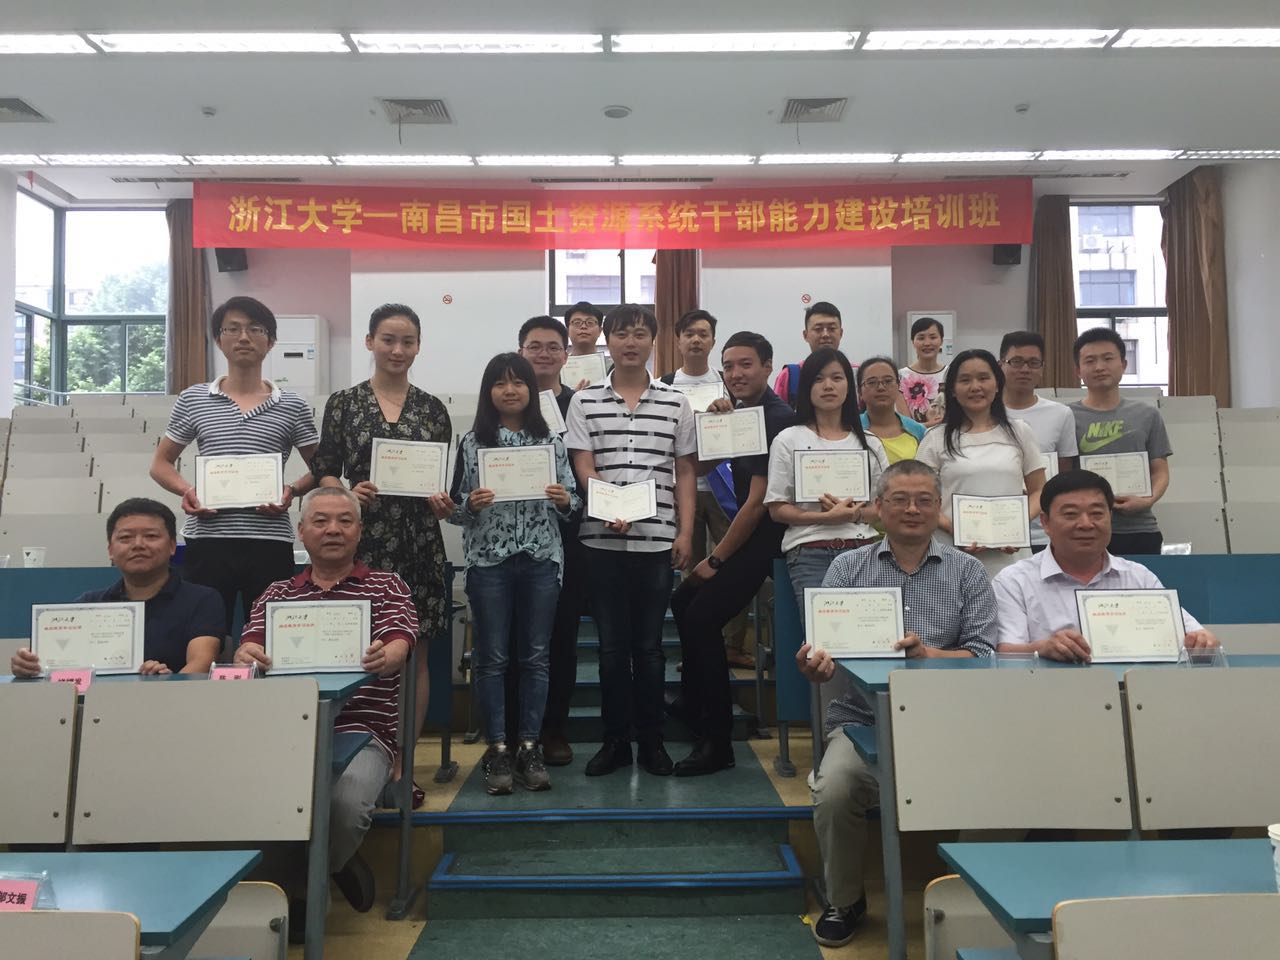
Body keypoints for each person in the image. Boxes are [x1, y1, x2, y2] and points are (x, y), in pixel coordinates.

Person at [795, 460, 997, 947]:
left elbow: (983, 654)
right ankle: (845, 900)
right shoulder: (848, 567)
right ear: (878, 508)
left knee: (1003, 784)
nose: (912, 509)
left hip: (949, 721)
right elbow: (827, 649)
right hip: (863, 721)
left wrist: (930, 656)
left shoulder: (969, 571)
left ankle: (969, 895)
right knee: (835, 787)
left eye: (924, 500)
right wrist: (815, 664)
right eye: (900, 500)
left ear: (939, 507)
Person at [235, 486, 417, 920]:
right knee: (252, 802)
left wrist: (389, 655)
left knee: (346, 808)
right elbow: (248, 646)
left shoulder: (386, 586)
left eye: (344, 521)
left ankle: (305, 887)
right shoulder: (277, 594)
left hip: (363, 732)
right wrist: (246, 655)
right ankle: (337, 867)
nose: (333, 529)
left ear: (360, 531)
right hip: (286, 733)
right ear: (301, 531)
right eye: (320, 521)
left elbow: (401, 641)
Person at [312, 303, 451, 805]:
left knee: (414, 655)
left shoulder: (432, 409)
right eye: (388, 339)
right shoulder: (344, 403)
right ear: (369, 342)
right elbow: (325, 468)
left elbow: (441, 478)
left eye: (407, 341)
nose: (397, 349)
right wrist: (346, 492)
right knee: (359, 650)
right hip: (363, 543)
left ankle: (401, 767)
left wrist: (442, 500)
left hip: (420, 543)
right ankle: (354, 761)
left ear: (418, 347)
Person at [564, 304, 696, 778]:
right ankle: (616, 741)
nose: (631, 342)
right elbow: (583, 464)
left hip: (657, 541)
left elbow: (684, 471)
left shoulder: (675, 401)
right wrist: (609, 506)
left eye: (640, 333)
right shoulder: (584, 401)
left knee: (651, 649)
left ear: (653, 341)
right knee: (611, 649)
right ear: (608, 340)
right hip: (600, 540)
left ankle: (652, 742)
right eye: (621, 334)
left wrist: (685, 531)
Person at [441, 353, 578, 795]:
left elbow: (574, 501)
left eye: (518, 382)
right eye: (500, 383)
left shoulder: (551, 441)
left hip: (541, 558)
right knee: (492, 658)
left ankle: (529, 746)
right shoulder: (472, 443)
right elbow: (456, 509)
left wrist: (563, 499)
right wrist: (469, 505)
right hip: (489, 562)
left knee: (536, 657)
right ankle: (498, 747)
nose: (510, 390)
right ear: (489, 392)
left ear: (530, 390)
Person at [150, 296, 318, 629]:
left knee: (269, 633)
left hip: (270, 540)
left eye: (255, 329)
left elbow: (322, 466)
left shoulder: (293, 405)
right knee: (205, 634)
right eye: (233, 329)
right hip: (208, 539)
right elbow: (160, 463)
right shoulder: (193, 398)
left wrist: (292, 490)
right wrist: (187, 491)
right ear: (218, 339)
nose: (243, 337)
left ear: (270, 341)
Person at [670, 332, 794, 775]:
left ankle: (717, 740)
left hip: (766, 541)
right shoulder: (743, 412)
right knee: (683, 601)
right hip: (751, 537)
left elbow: (757, 503)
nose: (736, 373)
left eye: (746, 364)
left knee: (703, 617)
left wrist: (716, 558)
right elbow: (701, 466)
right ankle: (693, 700)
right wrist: (712, 425)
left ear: (767, 367)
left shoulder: (777, 418)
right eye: (729, 366)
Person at [993, 470, 1219, 660]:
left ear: (1110, 517)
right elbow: (1005, 653)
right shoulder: (1014, 581)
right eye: (1071, 514)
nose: (1085, 524)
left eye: (1096, 513)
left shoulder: (1138, 577)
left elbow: (1196, 636)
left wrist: (1202, 642)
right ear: (1045, 523)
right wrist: (1042, 648)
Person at [9, 498, 225, 677]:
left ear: (171, 546)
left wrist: (165, 685)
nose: (138, 544)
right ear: (110, 550)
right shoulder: (88, 604)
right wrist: (28, 664)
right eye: (125, 538)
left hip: (173, 707)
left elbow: (201, 664)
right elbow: (56, 667)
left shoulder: (202, 600)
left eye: (151, 536)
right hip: (95, 707)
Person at [659, 309, 751, 668]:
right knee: (690, 572)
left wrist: (727, 416)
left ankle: (732, 644)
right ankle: (694, 649)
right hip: (681, 488)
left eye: (703, 334)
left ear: (713, 341)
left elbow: (748, 432)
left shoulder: (730, 384)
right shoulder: (664, 385)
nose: (696, 339)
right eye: (689, 334)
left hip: (726, 488)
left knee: (732, 566)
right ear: (678, 341)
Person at [516, 315, 584, 765]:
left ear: (566, 354)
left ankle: (553, 728)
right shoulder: (505, 403)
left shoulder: (581, 403)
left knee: (561, 636)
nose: (543, 354)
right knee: (512, 638)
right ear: (521, 351)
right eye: (534, 346)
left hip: (568, 537)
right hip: (512, 540)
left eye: (552, 347)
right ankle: (511, 732)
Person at [915, 348, 1045, 578]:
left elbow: (1039, 491)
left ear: (997, 384)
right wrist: (956, 529)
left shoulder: (1020, 432)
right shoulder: (935, 438)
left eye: (984, 378)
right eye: (965, 380)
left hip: (1010, 557)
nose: (975, 387)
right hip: (952, 552)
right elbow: (920, 499)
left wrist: (1016, 525)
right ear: (952, 390)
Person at [1069, 327, 1172, 555]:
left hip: (1139, 529)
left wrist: (1147, 500)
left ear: (1123, 365)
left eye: (1108, 358)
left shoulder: (1148, 415)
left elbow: (1160, 471)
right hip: (1084, 529)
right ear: (1078, 370)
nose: (1099, 367)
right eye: (1090, 361)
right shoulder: (1066, 416)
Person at [999, 331, 1079, 553]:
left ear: (1042, 368)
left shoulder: (1061, 414)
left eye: (1033, 363)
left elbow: (1064, 474)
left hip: (1045, 532)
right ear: (1000, 365)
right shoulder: (983, 413)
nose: (1025, 369)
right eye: (1016, 362)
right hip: (996, 527)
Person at [772, 301, 844, 407]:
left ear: (841, 333)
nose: (825, 334)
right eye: (818, 329)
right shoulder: (790, 376)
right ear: (805, 335)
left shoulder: (855, 373)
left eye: (832, 329)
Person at [856, 356, 926, 463]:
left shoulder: (918, 431)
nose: (881, 387)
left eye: (888, 381)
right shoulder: (852, 429)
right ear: (860, 392)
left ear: (898, 386)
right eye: (872, 382)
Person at [898, 315, 949, 426]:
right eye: (921, 338)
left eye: (933, 337)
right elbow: (905, 423)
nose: (927, 343)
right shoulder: (901, 376)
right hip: (913, 435)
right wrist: (929, 425)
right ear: (913, 342)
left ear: (941, 341)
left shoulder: (951, 373)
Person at [564, 300, 607, 389]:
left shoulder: (612, 368)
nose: (583, 327)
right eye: (577, 323)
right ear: (567, 330)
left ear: (600, 331)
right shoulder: (558, 367)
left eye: (590, 322)